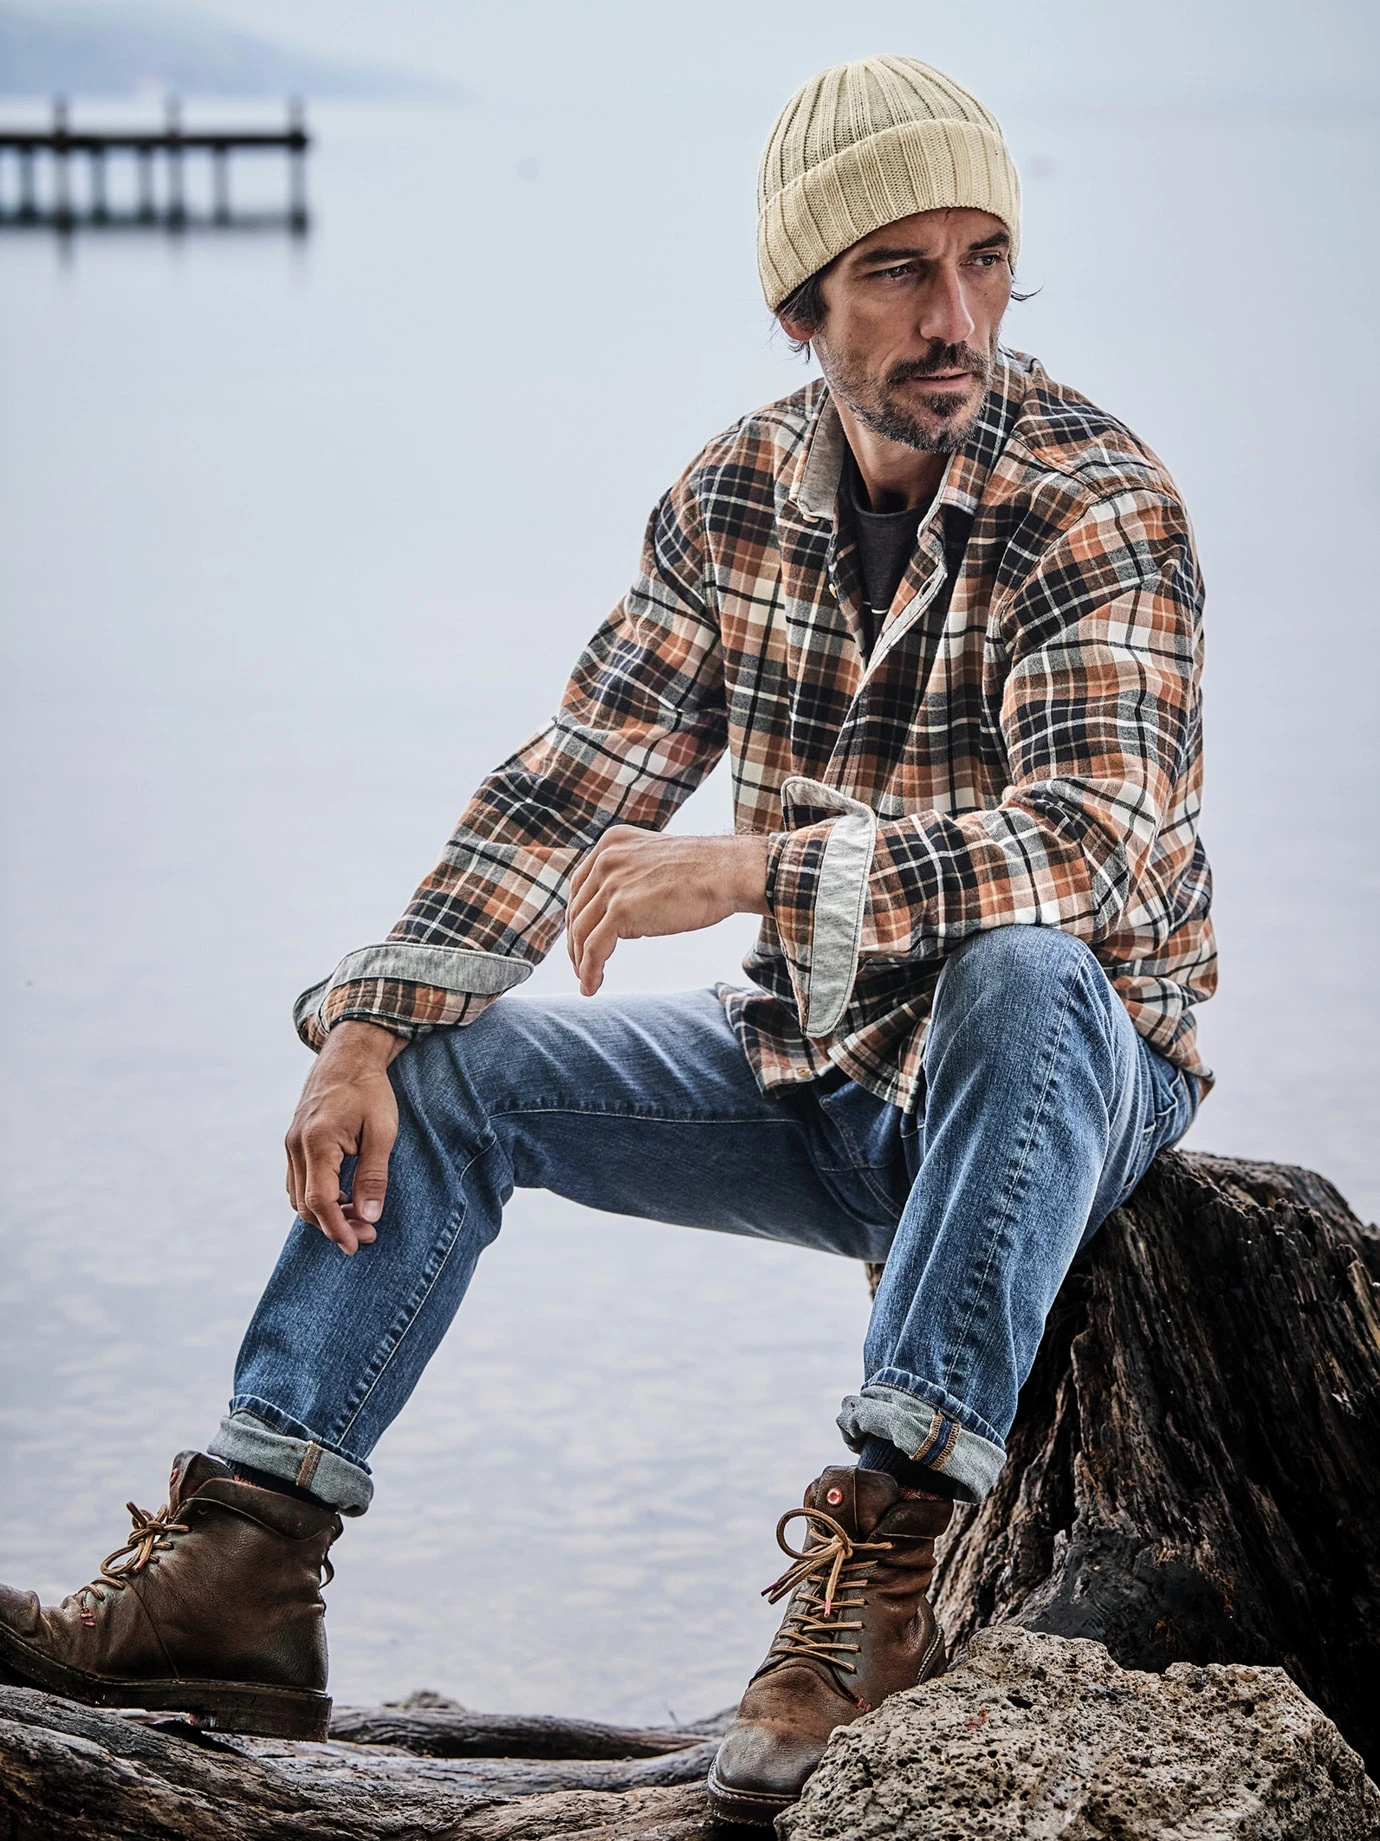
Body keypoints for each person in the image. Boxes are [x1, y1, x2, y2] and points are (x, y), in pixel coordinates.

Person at [0, 55, 1214, 1825]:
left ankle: (880, 1573)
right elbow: (570, 786)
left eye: (986, 261)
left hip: (1068, 1085)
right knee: (448, 1076)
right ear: (801, 305)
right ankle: (243, 1566)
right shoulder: (732, 499)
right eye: (898, 271)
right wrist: (364, 1026)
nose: (955, 318)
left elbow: (1087, 849)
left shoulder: (1098, 498)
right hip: (819, 1061)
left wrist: (756, 870)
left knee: (1023, 976)